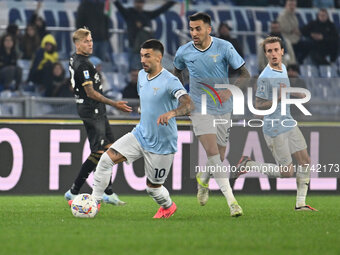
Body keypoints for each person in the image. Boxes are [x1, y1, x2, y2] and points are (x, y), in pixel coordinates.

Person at [91, 39, 194, 218]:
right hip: (140, 134)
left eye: (147, 56)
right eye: (141, 56)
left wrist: (172, 113)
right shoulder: (140, 75)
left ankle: (168, 206)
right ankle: (94, 203)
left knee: (153, 189)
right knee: (105, 160)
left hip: (162, 143)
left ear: (159, 58)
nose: (143, 60)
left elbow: (189, 105)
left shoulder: (170, 81)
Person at [173, 12, 250, 217]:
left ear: (209, 29)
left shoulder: (224, 47)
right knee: (215, 156)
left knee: (220, 155)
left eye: (198, 28)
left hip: (223, 107)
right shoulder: (184, 51)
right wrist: (184, 97)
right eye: (191, 29)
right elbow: (176, 72)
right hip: (199, 108)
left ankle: (204, 179)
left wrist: (230, 90)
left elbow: (245, 74)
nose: (194, 33)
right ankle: (232, 202)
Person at [235, 36, 317, 212]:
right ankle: (249, 165)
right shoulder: (265, 77)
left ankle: (300, 204)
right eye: (269, 51)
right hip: (274, 127)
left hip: (288, 122)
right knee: (287, 172)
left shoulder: (283, 68)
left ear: (282, 51)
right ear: (265, 54)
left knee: (305, 161)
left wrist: (293, 93)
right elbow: (258, 105)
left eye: (275, 50)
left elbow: (284, 91)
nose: (273, 54)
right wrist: (278, 98)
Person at [64, 28, 132, 206]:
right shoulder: (83, 64)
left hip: (97, 110)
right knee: (100, 152)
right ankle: (74, 190)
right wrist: (114, 103)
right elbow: (90, 92)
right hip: (91, 110)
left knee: (110, 149)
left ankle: (107, 191)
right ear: (78, 44)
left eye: (91, 40)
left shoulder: (76, 59)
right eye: (86, 41)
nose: (90, 43)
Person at [114, 0, 176, 69]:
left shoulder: (146, 15)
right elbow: (120, 7)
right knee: (134, 70)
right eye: (137, 2)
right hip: (134, 48)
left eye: (141, 2)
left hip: (146, 50)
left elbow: (160, 10)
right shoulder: (129, 14)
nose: (139, 4)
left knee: (146, 71)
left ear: (143, 4)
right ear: (134, 3)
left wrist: (171, 3)